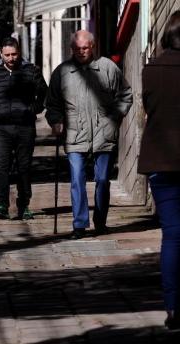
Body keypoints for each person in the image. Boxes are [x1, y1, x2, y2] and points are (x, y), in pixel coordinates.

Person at [45, 30, 133, 239]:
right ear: (71, 49)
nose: (81, 52)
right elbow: (52, 103)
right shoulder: (62, 72)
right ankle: (79, 224)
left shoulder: (107, 68)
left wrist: (115, 117)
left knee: (102, 179)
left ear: (93, 47)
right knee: (77, 178)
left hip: (104, 132)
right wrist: (55, 120)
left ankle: (100, 222)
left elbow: (125, 94)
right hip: (74, 134)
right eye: (77, 49)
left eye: (85, 48)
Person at [138, 11, 180, 330]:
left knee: (172, 235)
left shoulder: (151, 69)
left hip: (161, 162)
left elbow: (150, 109)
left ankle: (173, 306)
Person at [0, 37, 47, 220]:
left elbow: (43, 93)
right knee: (1, 166)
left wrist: (33, 109)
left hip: (25, 126)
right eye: (7, 55)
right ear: (1, 54)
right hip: (0, 128)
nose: (11, 58)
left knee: (24, 166)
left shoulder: (31, 72)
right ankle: (1, 204)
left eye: (14, 54)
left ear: (19, 53)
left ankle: (24, 204)